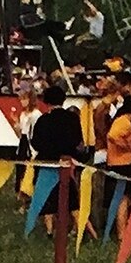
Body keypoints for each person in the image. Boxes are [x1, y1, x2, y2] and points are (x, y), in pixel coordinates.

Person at [31, 86, 83, 234]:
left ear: (47, 102)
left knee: (47, 198)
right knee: (72, 200)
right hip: (67, 163)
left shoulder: (43, 120)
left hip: (47, 163)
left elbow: (36, 142)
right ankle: (78, 228)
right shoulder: (72, 118)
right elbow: (77, 139)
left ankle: (49, 230)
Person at [106, 98, 131, 235]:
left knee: (125, 198)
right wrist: (128, 147)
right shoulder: (124, 122)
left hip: (121, 163)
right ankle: (122, 232)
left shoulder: (122, 121)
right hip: (122, 164)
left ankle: (124, 229)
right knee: (123, 198)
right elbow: (112, 136)